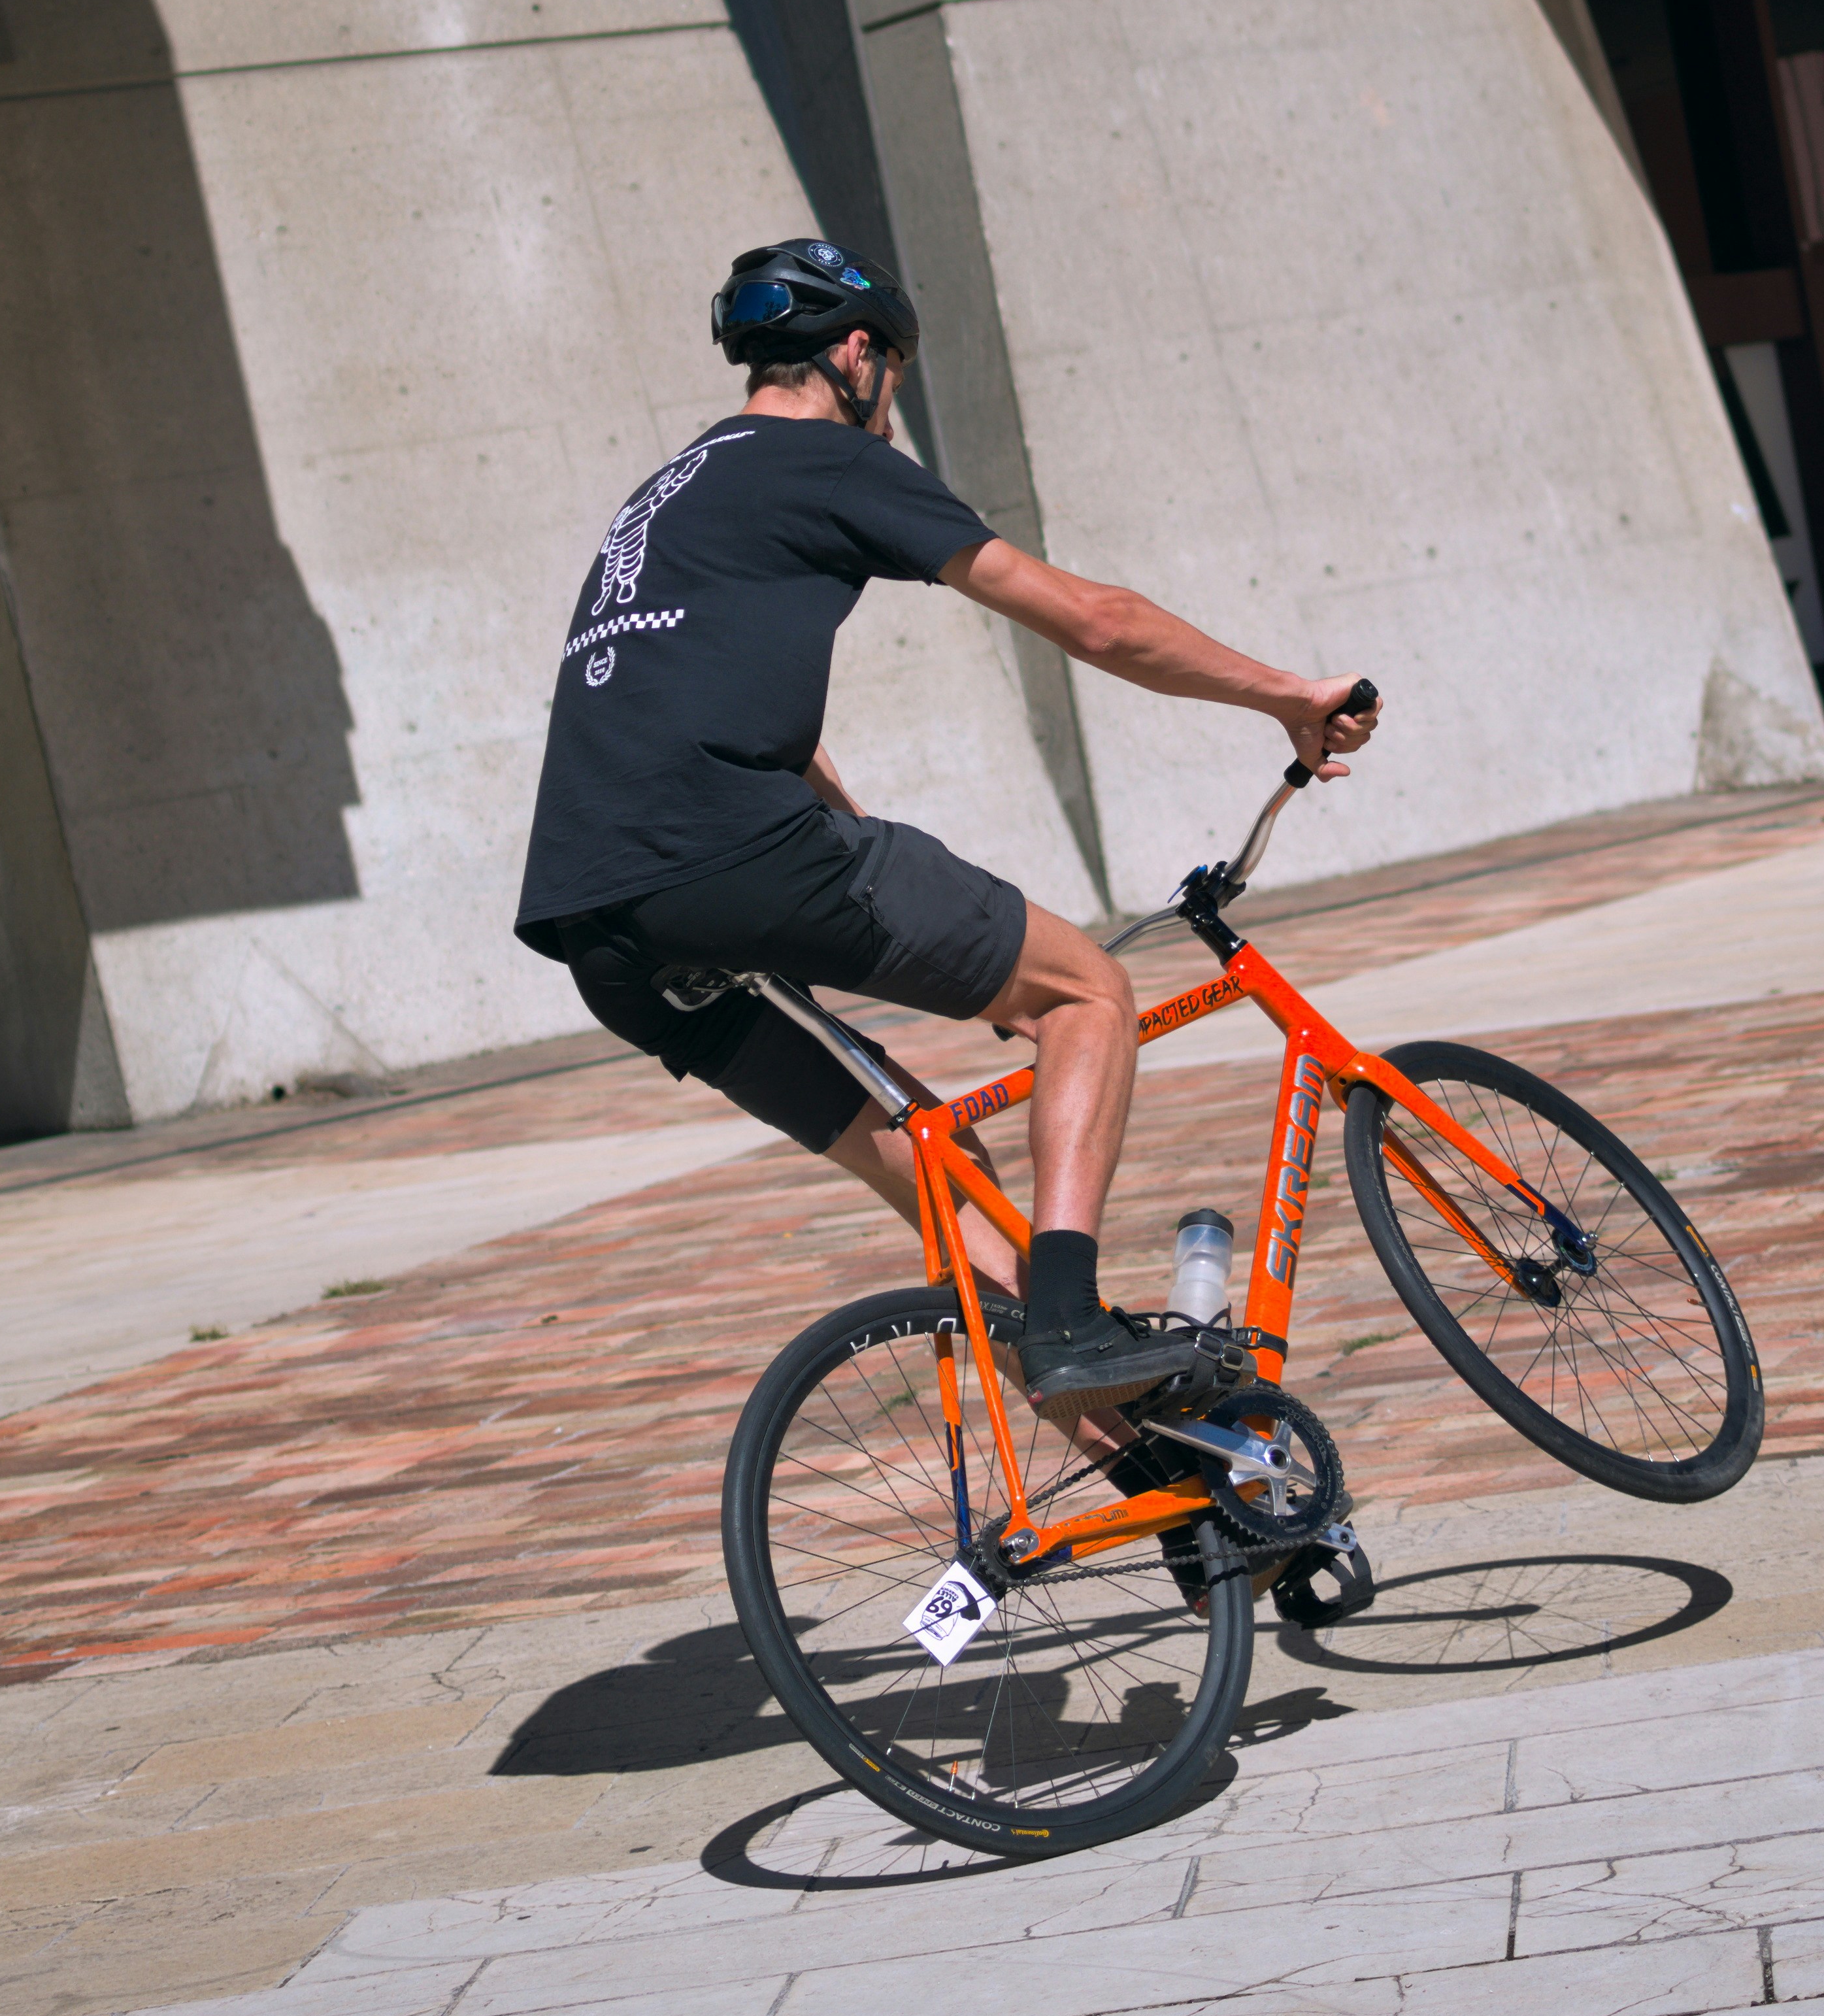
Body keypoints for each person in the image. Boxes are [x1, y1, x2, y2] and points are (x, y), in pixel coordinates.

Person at [514, 239, 1379, 1400]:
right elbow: (1098, 621)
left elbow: (739, 717)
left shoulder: (668, 493)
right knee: (1088, 992)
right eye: (897, 384)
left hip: (601, 928)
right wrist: (1290, 695)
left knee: (945, 1177)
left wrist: (915, 916)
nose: (891, 418)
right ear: (860, 354)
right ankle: (1073, 1321)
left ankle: (1165, 1487)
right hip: (740, 857)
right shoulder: (827, 460)